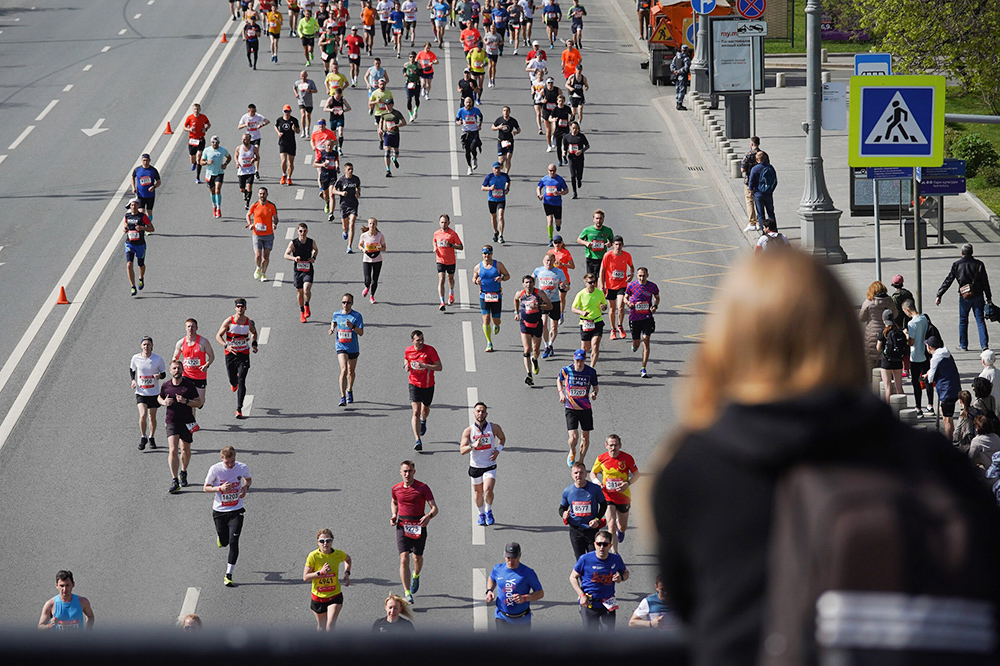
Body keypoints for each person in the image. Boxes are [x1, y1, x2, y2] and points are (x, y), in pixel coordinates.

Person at [651, 249, 1000, 666]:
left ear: (728, 343)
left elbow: (691, 610)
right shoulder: (936, 464)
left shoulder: (695, 469)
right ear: (843, 338)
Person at [391, 460, 439, 602]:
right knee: (404, 558)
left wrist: (428, 516)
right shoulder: (396, 488)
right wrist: (394, 515)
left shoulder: (423, 488)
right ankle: (406, 592)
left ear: (414, 472)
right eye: (404, 471)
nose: (407, 474)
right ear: (400, 472)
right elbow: (394, 502)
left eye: (410, 471)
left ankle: (416, 575)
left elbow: (435, 508)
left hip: (419, 525)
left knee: (416, 558)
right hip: (402, 525)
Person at [203, 446, 252, 587]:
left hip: (236, 509)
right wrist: (220, 488)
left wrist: (245, 488)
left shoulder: (242, 467)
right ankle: (221, 538)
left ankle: (228, 574)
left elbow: (248, 480)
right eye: (227, 462)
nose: (230, 465)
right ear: (222, 459)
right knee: (224, 541)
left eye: (232, 461)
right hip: (219, 511)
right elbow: (205, 488)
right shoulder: (215, 469)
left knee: (233, 541)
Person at [935, 243, 993, 351]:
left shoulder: (957, 264)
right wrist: (988, 297)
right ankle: (984, 345)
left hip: (964, 296)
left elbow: (949, 280)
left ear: (961, 253)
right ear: (972, 252)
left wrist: (939, 294)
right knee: (980, 321)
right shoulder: (979, 264)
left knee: (963, 320)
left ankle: (963, 345)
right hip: (978, 295)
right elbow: (985, 282)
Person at [159, 360, 204, 495]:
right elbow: (159, 398)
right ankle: (174, 480)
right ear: (170, 370)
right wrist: (164, 402)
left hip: (186, 421)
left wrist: (186, 401)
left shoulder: (189, 385)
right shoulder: (166, 385)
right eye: (174, 368)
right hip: (171, 421)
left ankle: (183, 472)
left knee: (185, 449)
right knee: (173, 450)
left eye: (179, 368)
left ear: (182, 369)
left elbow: (199, 402)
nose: (176, 370)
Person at [570, 529, 628, 630]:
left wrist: (621, 577)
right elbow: (573, 577)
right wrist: (581, 595)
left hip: (607, 603)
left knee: (608, 638)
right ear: (595, 544)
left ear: (610, 546)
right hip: (589, 603)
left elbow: (626, 573)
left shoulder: (615, 559)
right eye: (599, 544)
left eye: (605, 544)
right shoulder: (585, 559)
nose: (601, 547)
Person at [459, 402, 507, 525]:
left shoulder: (494, 427)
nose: (480, 413)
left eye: (482, 411)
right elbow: (462, 450)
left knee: (488, 490)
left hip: (489, 465)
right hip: (475, 466)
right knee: (478, 493)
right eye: (478, 411)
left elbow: (502, 438)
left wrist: (498, 451)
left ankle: (488, 511)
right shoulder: (468, 431)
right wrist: (472, 446)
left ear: (486, 413)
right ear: (474, 413)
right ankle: (481, 514)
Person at [590, 434, 637, 553]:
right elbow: (592, 473)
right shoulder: (601, 458)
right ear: (606, 445)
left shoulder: (627, 458)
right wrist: (597, 482)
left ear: (620, 445)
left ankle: (620, 531)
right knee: (610, 525)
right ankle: (615, 553)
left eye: (616, 445)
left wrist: (628, 483)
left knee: (622, 526)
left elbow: (637, 475)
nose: (613, 448)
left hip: (623, 497)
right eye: (611, 445)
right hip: (607, 496)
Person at [216, 299, 259, 419]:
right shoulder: (229, 321)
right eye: (238, 306)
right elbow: (218, 336)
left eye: (242, 307)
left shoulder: (248, 322)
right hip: (230, 354)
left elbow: (254, 333)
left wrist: (254, 344)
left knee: (242, 380)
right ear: (235, 308)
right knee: (233, 380)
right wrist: (226, 346)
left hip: (243, 354)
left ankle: (239, 409)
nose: (240, 308)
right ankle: (233, 383)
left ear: (245, 308)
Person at [486, 542, 544, 630]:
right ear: (504, 556)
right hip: (502, 617)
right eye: (508, 558)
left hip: (522, 620)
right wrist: (489, 590)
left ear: (519, 555)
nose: (511, 561)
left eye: (514, 557)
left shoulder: (528, 573)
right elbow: (491, 578)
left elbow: (540, 593)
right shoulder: (498, 569)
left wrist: (524, 598)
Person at [303, 528, 352, 630]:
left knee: (330, 626)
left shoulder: (338, 554)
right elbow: (305, 577)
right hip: (318, 597)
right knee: (321, 627)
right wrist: (320, 573)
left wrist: (347, 573)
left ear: (332, 541)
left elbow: (348, 559)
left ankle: (331, 646)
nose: (325, 543)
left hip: (335, 596)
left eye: (328, 540)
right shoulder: (313, 556)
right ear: (318, 543)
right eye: (322, 541)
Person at [557, 348, 599, 466]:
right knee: (574, 438)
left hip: (585, 408)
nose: (579, 363)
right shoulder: (566, 370)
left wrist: (594, 393)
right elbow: (559, 380)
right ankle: (572, 450)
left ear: (585, 360)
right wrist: (561, 393)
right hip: (571, 408)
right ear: (573, 359)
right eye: (577, 361)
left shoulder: (590, 372)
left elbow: (596, 387)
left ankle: (581, 461)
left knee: (585, 438)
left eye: (581, 361)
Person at [404, 330, 442, 450]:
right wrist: (406, 365)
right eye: (418, 340)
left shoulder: (430, 350)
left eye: (422, 339)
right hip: (414, 384)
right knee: (415, 411)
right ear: (412, 341)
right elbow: (406, 359)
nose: (420, 342)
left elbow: (439, 367)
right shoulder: (408, 350)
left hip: (428, 385)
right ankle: (417, 440)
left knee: (424, 410)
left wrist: (425, 366)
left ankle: (423, 420)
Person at [559, 461, 605, 559]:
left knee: (593, 558)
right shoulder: (568, 491)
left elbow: (603, 505)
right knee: (580, 560)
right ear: (572, 475)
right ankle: (582, 575)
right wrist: (563, 514)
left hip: (591, 529)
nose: (578, 475)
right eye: (576, 473)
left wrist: (597, 519)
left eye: (581, 472)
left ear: (586, 474)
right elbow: (562, 508)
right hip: (575, 530)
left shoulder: (595, 489)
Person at [172, 318, 214, 426]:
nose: (191, 329)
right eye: (188, 327)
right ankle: (191, 422)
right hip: (186, 375)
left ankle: (191, 420)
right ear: (185, 328)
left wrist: (206, 365)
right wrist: (176, 368)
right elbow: (175, 358)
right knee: (188, 400)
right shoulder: (181, 343)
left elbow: (211, 356)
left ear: (197, 328)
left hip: (200, 376)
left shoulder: (203, 342)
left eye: (193, 326)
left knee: (199, 402)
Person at [515, 275, 553, 385]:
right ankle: (529, 375)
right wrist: (516, 312)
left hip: (537, 324)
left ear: (533, 284)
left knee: (535, 350)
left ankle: (535, 360)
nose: (528, 285)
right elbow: (515, 300)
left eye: (530, 282)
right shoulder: (520, 294)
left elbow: (550, 306)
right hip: (525, 325)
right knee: (527, 350)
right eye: (526, 282)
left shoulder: (539, 293)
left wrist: (539, 306)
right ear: (523, 284)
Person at [130, 336, 166, 450]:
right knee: (143, 415)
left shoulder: (158, 359)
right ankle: (143, 436)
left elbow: (164, 373)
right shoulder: (136, 358)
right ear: (141, 346)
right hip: (141, 392)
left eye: (148, 344)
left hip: (153, 392)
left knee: (152, 416)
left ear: (152, 346)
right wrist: (133, 380)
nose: (146, 347)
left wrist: (159, 376)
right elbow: (132, 369)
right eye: (144, 344)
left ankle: (151, 437)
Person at [474, 245, 511, 352]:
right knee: (486, 319)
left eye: (489, 253)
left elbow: (508, 275)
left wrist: (502, 278)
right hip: (484, 295)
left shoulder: (498, 265)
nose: (487, 255)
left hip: (496, 295)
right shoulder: (478, 267)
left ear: (492, 254)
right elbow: (473, 278)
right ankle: (489, 342)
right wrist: (476, 281)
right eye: (485, 253)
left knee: (496, 320)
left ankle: (497, 325)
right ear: (482, 254)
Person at [330, 293, 365, 406]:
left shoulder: (356, 316)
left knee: (351, 371)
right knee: (344, 370)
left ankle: (349, 390)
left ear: (352, 303)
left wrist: (353, 327)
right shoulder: (337, 314)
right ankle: (342, 396)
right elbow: (334, 321)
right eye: (343, 302)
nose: (345, 304)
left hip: (353, 347)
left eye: (348, 302)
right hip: (341, 346)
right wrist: (331, 328)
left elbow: (361, 333)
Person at [924, 335, 962, 441]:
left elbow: (931, 378)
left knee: (947, 419)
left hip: (946, 391)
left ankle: (949, 443)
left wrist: (928, 375)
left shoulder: (935, 358)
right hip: (954, 388)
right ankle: (955, 437)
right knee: (943, 411)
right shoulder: (946, 353)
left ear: (930, 347)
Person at [625, 267, 659, 378]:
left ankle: (643, 368)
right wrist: (628, 303)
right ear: (637, 276)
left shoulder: (652, 286)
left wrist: (655, 306)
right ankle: (634, 346)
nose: (641, 278)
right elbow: (625, 298)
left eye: (643, 275)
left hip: (647, 317)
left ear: (647, 275)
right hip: (634, 318)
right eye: (639, 276)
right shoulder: (631, 286)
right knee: (637, 342)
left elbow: (657, 297)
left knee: (646, 339)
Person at [533, 252, 568, 358]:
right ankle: (546, 345)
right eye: (547, 260)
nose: (549, 263)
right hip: (543, 301)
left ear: (554, 262)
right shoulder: (538, 270)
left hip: (555, 301)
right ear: (543, 261)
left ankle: (550, 344)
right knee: (543, 324)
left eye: (551, 261)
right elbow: (531, 281)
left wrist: (563, 286)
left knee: (554, 326)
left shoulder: (559, 272)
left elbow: (566, 286)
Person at [599, 236, 633, 341]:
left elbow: (631, 266)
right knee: (612, 309)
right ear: (613, 245)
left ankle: (620, 326)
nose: (618, 247)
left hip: (622, 285)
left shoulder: (627, 255)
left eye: (620, 244)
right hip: (610, 285)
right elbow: (602, 270)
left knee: (621, 307)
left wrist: (631, 275)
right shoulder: (608, 255)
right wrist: (602, 285)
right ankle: (613, 329)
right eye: (616, 244)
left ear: (622, 245)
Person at [859, 280, 898, 373]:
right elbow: (895, 314)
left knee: (870, 360)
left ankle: (871, 381)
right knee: (885, 357)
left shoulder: (868, 302)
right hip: (887, 332)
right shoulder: (889, 301)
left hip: (871, 334)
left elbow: (862, 318)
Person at [903, 299, 934, 415]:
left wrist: (906, 334)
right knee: (927, 380)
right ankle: (930, 405)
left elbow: (911, 342)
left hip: (915, 356)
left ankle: (918, 407)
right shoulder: (924, 318)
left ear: (907, 310)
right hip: (926, 353)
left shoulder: (911, 323)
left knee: (916, 382)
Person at [285, 223, 319, 322]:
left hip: (308, 269)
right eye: (300, 231)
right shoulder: (293, 243)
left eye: (304, 231)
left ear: (307, 231)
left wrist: (313, 258)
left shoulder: (311, 242)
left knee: (306, 289)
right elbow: (286, 255)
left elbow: (316, 250)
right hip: (298, 271)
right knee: (299, 292)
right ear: (298, 231)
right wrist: (294, 258)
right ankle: (301, 312)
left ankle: (307, 305)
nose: (302, 233)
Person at [122, 198, 154, 297]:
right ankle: (133, 286)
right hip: (130, 243)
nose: (133, 206)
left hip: (140, 245)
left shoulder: (143, 217)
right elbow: (126, 224)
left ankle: (141, 278)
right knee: (129, 265)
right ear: (130, 206)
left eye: (135, 205)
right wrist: (125, 229)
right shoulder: (127, 215)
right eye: (132, 205)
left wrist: (142, 228)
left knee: (140, 264)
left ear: (138, 206)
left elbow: (152, 228)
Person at [246, 187, 279, 282]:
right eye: (260, 193)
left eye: (264, 193)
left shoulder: (271, 206)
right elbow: (248, 215)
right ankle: (258, 267)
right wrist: (250, 224)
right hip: (257, 234)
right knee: (257, 255)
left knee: (266, 257)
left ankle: (263, 273)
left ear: (267, 194)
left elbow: (276, 218)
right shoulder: (254, 205)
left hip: (268, 235)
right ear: (258, 194)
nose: (262, 195)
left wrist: (274, 224)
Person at [875, 308, 907, 402]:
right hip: (898, 361)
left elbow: (878, 348)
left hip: (886, 362)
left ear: (883, 319)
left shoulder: (883, 332)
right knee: (899, 386)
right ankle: (902, 404)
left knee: (888, 387)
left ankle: (889, 408)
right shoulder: (900, 331)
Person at [433, 214, 463, 310]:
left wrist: (451, 245)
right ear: (439, 223)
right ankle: (442, 302)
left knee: (450, 279)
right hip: (440, 260)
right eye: (442, 222)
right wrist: (435, 248)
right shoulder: (436, 233)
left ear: (449, 223)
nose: (443, 224)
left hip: (450, 261)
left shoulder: (452, 234)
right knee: (441, 279)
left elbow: (461, 247)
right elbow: (434, 241)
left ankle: (451, 292)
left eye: (445, 222)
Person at [537, 164, 569, 246]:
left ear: (556, 170)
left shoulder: (560, 180)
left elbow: (566, 190)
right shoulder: (544, 179)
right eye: (550, 171)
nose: (552, 172)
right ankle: (551, 239)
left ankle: (558, 225)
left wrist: (559, 193)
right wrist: (539, 195)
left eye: (553, 170)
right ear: (548, 170)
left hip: (557, 203)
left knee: (558, 222)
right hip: (547, 202)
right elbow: (538, 187)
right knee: (549, 220)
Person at [199, 135, 231, 218]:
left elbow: (229, 157)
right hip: (209, 174)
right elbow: (201, 162)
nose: (215, 144)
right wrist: (206, 162)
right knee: (212, 192)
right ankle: (214, 207)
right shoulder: (207, 150)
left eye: (216, 142)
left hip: (219, 173)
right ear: (210, 143)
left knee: (217, 190)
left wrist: (225, 164)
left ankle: (219, 209)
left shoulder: (223, 150)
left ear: (219, 143)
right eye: (213, 142)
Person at [334, 163, 362, 253]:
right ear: (345, 170)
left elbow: (358, 188)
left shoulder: (356, 179)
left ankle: (349, 246)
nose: (351, 171)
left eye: (352, 169)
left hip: (353, 204)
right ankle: (345, 231)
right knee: (345, 226)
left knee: (352, 224)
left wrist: (358, 193)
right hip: (344, 205)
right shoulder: (341, 180)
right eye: (349, 169)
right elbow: (333, 190)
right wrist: (341, 193)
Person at [237, 104, 270, 179]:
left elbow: (268, 121)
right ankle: (249, 169)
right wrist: (245, 125)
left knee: (256, 151)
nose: (254, 113)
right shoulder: (245, 117)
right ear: (249, 111)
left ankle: (256, 170)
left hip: (256, 137)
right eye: (252, 112)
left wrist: (262, 125)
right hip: (248, 138)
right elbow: (238, 127)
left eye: (255, 111)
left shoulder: (258, 116)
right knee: (249, 154)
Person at [546, 235, 575, 321]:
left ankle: (561, 314)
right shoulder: (550, 252)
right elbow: (545, 263)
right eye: (555, 242)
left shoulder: (566, 252)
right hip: (552, 279)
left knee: (561, 298)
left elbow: (572, 266)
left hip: (563, 279)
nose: (557, 244)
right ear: (553, 243)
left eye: (559, 242)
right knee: (551, 297)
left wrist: (563, 265)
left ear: (562, 243)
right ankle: (552, 312)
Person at [577, 209, 612, 278]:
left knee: (601, 278)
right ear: (593, 219)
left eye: (600, 218)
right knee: (591, 278)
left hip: (602, 257)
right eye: (597, 218)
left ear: (603, 219)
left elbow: (613, 241)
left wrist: (609, 243)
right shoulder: (587, 230)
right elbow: (579, 239)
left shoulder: (608, 230)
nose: (598, 220)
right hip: (591, 257)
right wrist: (586, 243)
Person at [481, 161, 511, 243]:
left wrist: (507, 188)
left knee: (501, 216)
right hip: (492, 200)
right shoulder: (489, 177)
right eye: (495, 168)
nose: (497, 170)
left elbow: (508, 181)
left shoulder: (505, 176)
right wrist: (490, 188)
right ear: (493, 169)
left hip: (501, 199)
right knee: (493, 217)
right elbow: (482, 187)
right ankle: (495, 232)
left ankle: (501, 235)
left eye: (498, 168)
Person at [359, 218, 386, 304]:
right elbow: (359, 245)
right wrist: (363, 250)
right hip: (367, 259)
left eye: (374, 223)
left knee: (375, 280)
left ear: (376, 225)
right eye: (370, 223)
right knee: (367, 279)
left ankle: (372, 296)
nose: (372, 225)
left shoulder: (380, 235)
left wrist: (379, 248)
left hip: (377, 259)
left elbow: (384, 247)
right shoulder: (364, 235)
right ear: (368, 225)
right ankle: (367, 287)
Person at [183, 103, 212, 183]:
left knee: (199, 156)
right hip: (192, 140)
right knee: (192, 159)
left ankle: (197, 177)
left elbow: (209, 124)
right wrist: (189, 129)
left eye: (198, 109)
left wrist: (205, 129)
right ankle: (194, 163)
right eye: (195, 109)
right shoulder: (190, 118)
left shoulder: (203, 117)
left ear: (200, 109)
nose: (196, 110)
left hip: (201, 139)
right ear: (193, 110)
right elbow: (184, 127)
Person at [378, 99, 407, 177]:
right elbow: (381, 121)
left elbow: (404, 122)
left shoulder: (397, 113)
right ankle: (388, 170)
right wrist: (380, 129)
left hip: (395, 134)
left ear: (392, 105)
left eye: (388, 104)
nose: (387, 106)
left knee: (396, 151)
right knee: (387, 152)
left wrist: (396, 126)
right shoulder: (383, 114)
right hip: (387, 134)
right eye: (386, 105)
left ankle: (394, 159)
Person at [747, 150, 777, 223]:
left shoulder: (755, 169)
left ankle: (764, 232)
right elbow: (775, 180)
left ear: (757, 159)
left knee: (761, 215)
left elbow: (751, 182)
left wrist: (750, 191)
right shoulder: (770, 167)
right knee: (771, 213)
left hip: (758, 193)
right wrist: (771, 189)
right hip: (768, 193)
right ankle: (774, 230)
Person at [456, 95, 483, 176]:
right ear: (464, 103)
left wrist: (480, 125)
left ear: (472, 103)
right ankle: (469, 167)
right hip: (465, 132)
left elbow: (481, 116)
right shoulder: (461, 111)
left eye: (470, 102)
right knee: (467, 151)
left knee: (473, 147)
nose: (468, 104)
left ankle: (474, 158)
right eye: (467, 102)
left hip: (474, 132)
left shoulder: (476, 110)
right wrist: (458, 122)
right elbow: (456, 119)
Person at [314, 138, 340, 221]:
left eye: (331, 145)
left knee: (332, 194)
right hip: (324, 176)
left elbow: (336, 161)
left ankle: (331, 213)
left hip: (333, 175)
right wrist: (322, 165)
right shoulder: (322, 154)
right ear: (325, 146)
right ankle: (327, 203)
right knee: (326, 195)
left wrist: (337, 167)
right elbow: (314, 164)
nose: (330, 147)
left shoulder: (335, 153)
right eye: (328, 145)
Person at [131, 153, 161, 224]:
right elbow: (132, 177)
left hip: (150, 195)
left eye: (147, 160)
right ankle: (142, 226)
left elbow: (159, 182)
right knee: (141, 211)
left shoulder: (153, 170)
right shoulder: (137, 170)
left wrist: (154, 186)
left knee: (149, 212)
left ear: (150, 160)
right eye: (144, 160)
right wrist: (133, 187)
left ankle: (148, 225)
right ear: (141, 160)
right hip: (141, 195)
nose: (145, 162)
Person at [740, 136, 761, 233]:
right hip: (760, 181)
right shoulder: (762, 154)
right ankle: (759, 223)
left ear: (752, 144)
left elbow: (742, 169)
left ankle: (752, 222)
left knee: (749, 201)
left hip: (748, 181)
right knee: (758, 201)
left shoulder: (748, 155)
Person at [235, 132, 260, 210]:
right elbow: (235, 156)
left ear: (249, 140)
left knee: (249, 186)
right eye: (242, 139)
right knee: (242, 189)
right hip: (242, 171)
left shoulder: (254, 148)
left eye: (245, 139)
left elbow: (258, 157)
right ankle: (245, 193)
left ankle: (247, 203)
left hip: (250, 171)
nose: (243, 140)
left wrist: (254, 159)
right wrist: (237, 162)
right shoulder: (239, 148)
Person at [491, 105, 520, 173]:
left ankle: (506, 173)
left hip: (509, 141)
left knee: (508, 157)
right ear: (502, 112)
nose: (505, 112)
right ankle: (499, 169)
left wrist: (516, 132)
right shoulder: (499, 120)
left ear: (509, 112)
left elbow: (519, 129)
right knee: (501, 159)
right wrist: (498, 127)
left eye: (507, 111)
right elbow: (492, 127)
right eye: (504, 111)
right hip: (501, 141)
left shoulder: (513, 121)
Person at [294, 71, 319, 140]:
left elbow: (316, 90)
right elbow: (294, 87)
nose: (303, 77)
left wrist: (310, 91)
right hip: (301, 101)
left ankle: (307, 128)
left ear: (307, 76)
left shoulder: (310, 82)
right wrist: (296, 94)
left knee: (308, 115)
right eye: (302, 76)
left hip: (309, 102)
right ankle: (303, 130)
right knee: (303, 115)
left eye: (304, 76)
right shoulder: (298, 82)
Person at [549, 95, 572, 166]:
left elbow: (572, 114)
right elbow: (550, 118)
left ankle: (564, 155)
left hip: (565, 129)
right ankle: (560, 160)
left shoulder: (567, 108)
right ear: (557, 101)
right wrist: (553, 120)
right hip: (558, 130)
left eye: (562, 101)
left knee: (566, 143)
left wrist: (570, 120)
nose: (561, 102)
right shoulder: (555, 110)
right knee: (558, 146)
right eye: (559, 101)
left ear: (564, 101)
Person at [670, 44, 691, 110]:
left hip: (676, 76)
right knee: (682, 90)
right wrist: (679, 71)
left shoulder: (676, 57)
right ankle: (679, 104)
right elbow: (686, 68)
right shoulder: (686, 58)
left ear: (681, 50)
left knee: (677, 89)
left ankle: (677, 103)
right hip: (682, 76)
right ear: (687, 50)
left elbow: (672, 65)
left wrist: (675, 71)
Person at [402, 51, 422, 121]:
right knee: (408, 99)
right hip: (409, 83)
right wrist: (404, 73)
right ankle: (410, 115)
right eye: (410, 57)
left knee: (416, 99)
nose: (412, 58)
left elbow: (421, 73)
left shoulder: (418, 65)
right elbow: (403, 70)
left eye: (413, 57)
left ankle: (415, 109)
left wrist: (415, 72)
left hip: (416, 84)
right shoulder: (406, 64)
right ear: (409, 57)